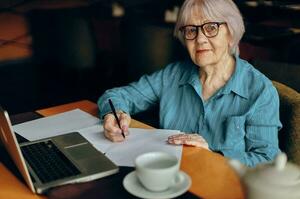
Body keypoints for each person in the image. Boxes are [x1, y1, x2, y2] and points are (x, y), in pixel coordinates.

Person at [98, 0, 282, 167]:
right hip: (169, 178)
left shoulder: (260, 91)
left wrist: (213, 154)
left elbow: (267, 159)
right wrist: (116, 114)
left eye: (211, 27)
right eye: (191, 30)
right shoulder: (172, 75)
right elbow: (115, 96)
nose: (200, 39)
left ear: (231, 34)